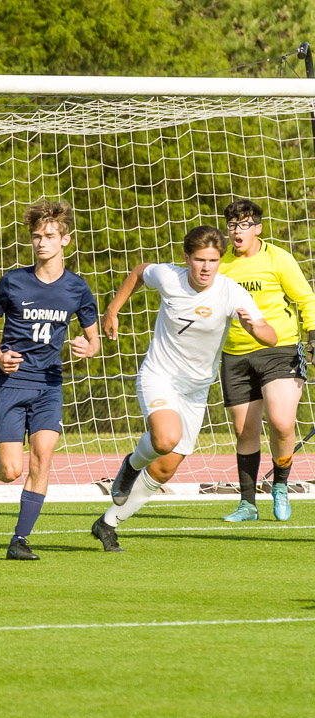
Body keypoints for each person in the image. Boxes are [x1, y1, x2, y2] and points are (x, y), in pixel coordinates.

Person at [96, 226, 276, 550]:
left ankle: (108, 523)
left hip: (196, 389)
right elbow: (138, 273)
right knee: (166, 438)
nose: (206, 267)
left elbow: (270, 335)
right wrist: (112, 309)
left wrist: (254, 329)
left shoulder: (231, 292)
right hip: (160, 375)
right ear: (186, 258)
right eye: (199, 259)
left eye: (213, 260)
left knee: (165, 468)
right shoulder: (169, 277)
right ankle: (131, 465)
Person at [0, 199, 100, 561]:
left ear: (66, 240)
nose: (42, 243)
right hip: (11, 383)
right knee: (10, 470)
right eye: (37, 236)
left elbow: (94, 338)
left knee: (43, 457)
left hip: (49, 384)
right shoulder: (13, 281)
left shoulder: (77, 289)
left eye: (50, 236)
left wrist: (88, 346)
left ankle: (19, 540)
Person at [215, 200, 315, 523]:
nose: (236, 231)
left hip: (280, 349)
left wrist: (313, 335)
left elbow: (305, 298)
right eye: (232, 225)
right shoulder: (219, 264)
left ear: (257, 227)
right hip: (236, 354)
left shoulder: (278, 259)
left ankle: (281, 485)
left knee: (283, 422)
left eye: (243, 225)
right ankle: (247, 504)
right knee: (245, 430)